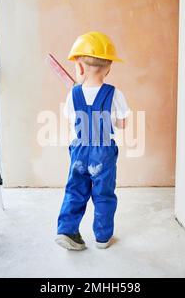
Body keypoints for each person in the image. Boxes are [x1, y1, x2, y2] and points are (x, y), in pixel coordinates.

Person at [56, 31, 130, 250]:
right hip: (103, 152)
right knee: (103, 193)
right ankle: (102, 237)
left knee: (75, 191)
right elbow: (123, 123)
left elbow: (71, 120)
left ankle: (67, 230)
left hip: (79, 151)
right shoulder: (114, 93)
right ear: (108, 69)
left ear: (79, 68)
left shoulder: (73, 94)